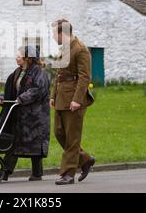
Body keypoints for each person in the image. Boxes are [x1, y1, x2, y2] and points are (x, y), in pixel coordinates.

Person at [0, 46, 50, 182]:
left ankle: (37, 173)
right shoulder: (18, 72)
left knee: (35, 145)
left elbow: (37, 90)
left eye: (18, 55)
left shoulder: (39, 73)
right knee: (14, 142)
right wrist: (1, 97)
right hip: (20, 114)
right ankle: (5, 171)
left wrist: (22, 99)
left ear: (27, 58)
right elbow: (12, 90)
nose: (16, 57)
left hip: (35, 116)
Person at [50, 19, 95, 185]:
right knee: (59, 133)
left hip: (74, 100)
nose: (53, 36)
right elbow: (60, 75)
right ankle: (85, 159)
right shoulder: (65, 50)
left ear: (62, 33)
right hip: (62, 97)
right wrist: (53, 96)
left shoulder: (80, 49)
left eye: (54, 33)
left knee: (72, 138)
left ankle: (68, 174)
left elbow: (84, 77)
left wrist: (77, 100)